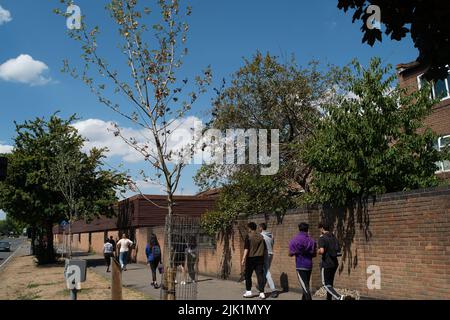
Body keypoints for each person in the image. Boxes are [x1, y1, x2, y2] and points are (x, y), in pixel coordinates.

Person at [289, 222, 317, 300]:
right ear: (307, 229)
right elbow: (314, 254)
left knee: (305, 287)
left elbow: (290, 253)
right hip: (309, 265)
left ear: (299, 229)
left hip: (300, 265)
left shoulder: (294, 240)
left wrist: (297, 252)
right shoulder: (312, 241)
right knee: (306, 285)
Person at [317, 222, 345, 300]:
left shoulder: (322, 238)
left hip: (326, 263)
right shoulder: (333, 236)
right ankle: (329, 298)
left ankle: (339, 297)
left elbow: (321, 251)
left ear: (322, 228)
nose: (319, 230)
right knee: (330, 283)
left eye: (319, 228)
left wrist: (318, 251)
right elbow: (338, 249)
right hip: (334, 263)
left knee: (325, 284)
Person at [241, 222, 266, 299]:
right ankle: (262, 293)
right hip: (260, 258)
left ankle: (248, 292)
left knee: (248, 275)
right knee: (260, 275)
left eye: (248, 228)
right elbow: (264, 248)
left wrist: (243, 258)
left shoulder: (248, 236)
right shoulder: (261, 236)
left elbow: (246, 248)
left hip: (250, 258)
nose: (247, 229)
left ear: (250, 228)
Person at [257, 223, 278, 298]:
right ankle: (261, 287)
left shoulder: (261, 236)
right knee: (265, 271)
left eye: (259, 227)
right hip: (271, 253)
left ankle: (273, 290)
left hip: (265, 254)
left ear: (261, 228)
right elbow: (272, 244)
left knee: (266, 271)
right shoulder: (271, 235)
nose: (258, 229)